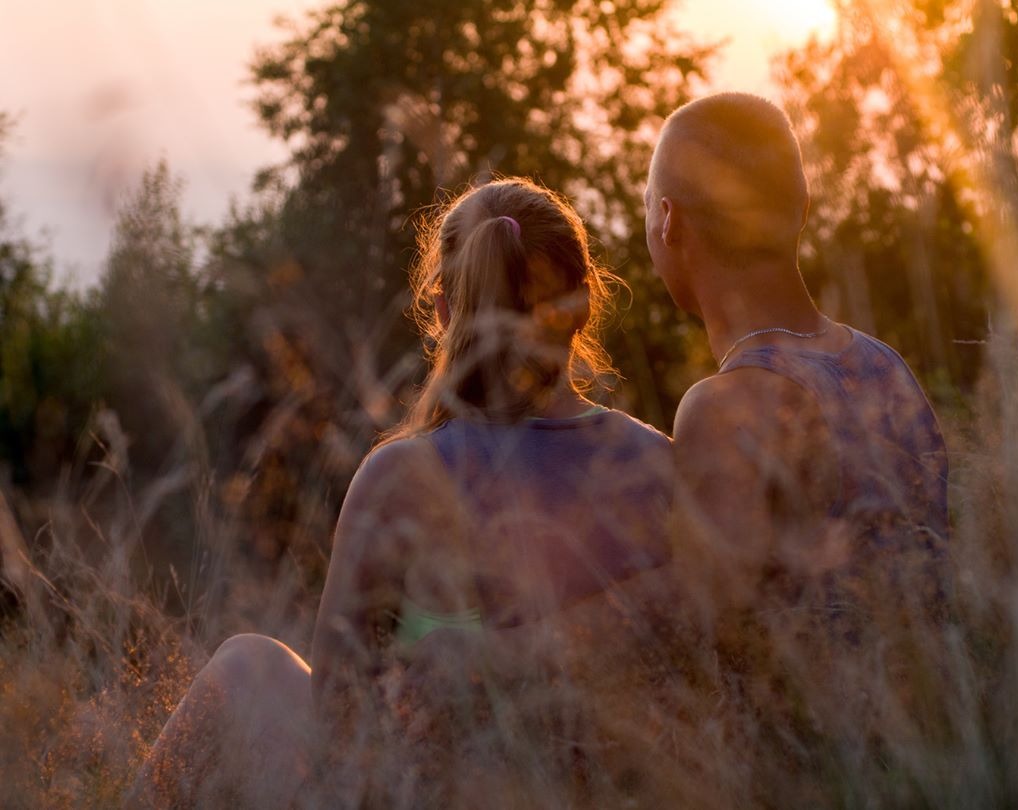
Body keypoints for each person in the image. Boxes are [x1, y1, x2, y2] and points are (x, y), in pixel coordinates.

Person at [126, 178, 673, 808]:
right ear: (582, 304)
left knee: (246, 666)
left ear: (442, 311)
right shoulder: (659, 463)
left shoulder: (401, 479)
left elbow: (337, 714)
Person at [643, 92, 951, 799]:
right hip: (931, 759)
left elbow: (704, 632)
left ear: (670, 221)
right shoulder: (885, 365)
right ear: (801, 207)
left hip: (811, 779)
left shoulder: (728, 406)